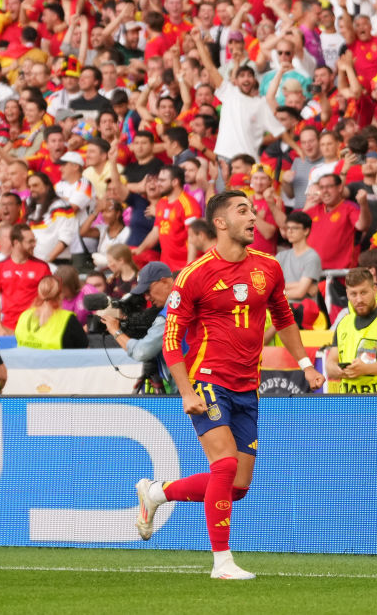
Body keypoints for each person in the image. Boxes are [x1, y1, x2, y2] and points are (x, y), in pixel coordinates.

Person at [133, 190, 324, 580]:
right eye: (243, 211)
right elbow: (172, 339)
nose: (253, 216)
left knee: (237, 486)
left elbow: (284, 319)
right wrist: (186, 390)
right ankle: (222, 563)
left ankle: (156, 493)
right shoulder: (193, 275)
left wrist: (305, 363)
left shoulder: (268, 268)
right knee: (223, 464)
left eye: (253, 210)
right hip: (208, 381)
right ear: (220, 223)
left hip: (247, 386)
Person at [101, 261, 174, 392]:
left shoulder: (170, 313)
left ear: (164, 282)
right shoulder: (182, 303)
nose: (146, 297)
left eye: (148, 291)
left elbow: (142, 352)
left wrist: (115, 330)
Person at [0, 224, 52, 335]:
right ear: (16, 243)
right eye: (30, 242)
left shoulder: (42, 267)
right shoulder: (0, 267)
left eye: (34, 241)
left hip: (34, 328)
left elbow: (49, 299)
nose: (34, 245)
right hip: (8, 328)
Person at [14, 275, 88, 350]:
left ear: (39, 293)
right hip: (59, 361)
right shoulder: (68, 319)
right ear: (60, 295)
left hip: (24, 361)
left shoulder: (24, 315)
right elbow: (83, 346)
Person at [277, 211, 322, 304]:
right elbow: (269, 286)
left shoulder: (312, 257)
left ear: (306, 231)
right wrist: (300, 285)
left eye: (295, 228)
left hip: (303, 312)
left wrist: (276, 294)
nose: (290, 231)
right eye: (288, 228)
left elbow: (299, 293)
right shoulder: (281, 256)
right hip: (281, 310)